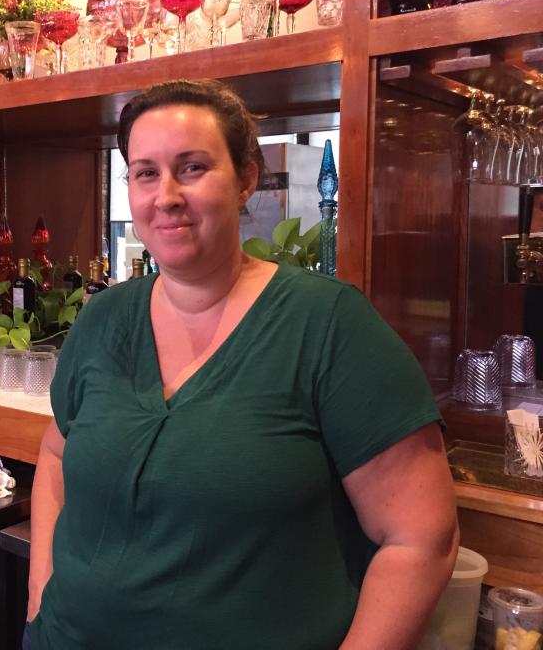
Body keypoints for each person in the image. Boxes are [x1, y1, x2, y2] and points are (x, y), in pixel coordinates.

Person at [25, 80, 459, 649]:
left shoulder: (327, 325)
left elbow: (422, 538)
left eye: (194, 167)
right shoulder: (104, 319)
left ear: (245, 179)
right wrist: (41, 595)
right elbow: (56, 452)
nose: (167, 195)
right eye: (145, 172)